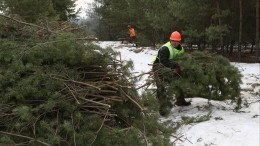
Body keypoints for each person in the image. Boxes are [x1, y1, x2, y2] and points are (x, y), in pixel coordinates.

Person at [152, 31, 191, 116]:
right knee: (161, 87)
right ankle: (162, 109)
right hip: (158, 68)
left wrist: (180, 66)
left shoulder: (181, 49)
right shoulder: (165, 48)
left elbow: (182, 59)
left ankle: (180, 101)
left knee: (178, 83)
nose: (174, 42)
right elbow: (163, 61)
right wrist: (175, 66)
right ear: (170, 39)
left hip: (171, 67)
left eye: (176, 41)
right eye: (173, 40)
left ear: (179, 41)